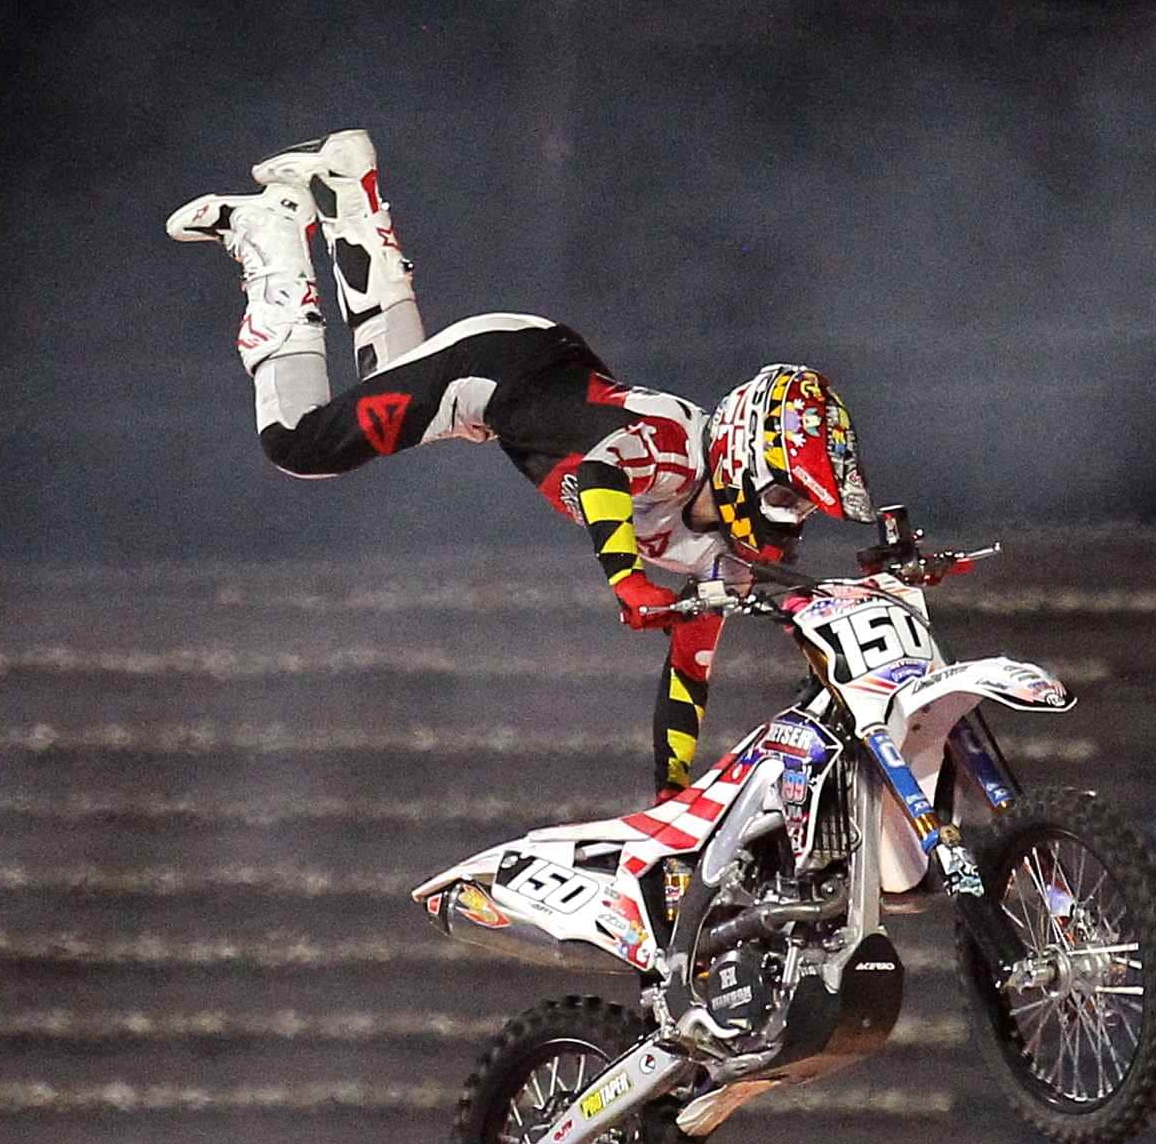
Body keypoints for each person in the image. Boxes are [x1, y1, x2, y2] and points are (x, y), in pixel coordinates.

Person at [167, 128, 874, 800]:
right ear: (748, 451)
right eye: (789, 493)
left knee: (378, 376)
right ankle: (270, 233)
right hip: (497, 368)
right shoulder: (672, 445)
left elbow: (690, 668)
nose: (792, 515)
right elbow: (601, 473)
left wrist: (671, 795)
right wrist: (624, 577)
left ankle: (347, 185)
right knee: (298, 444)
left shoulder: (729, 552)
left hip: (501, 400)